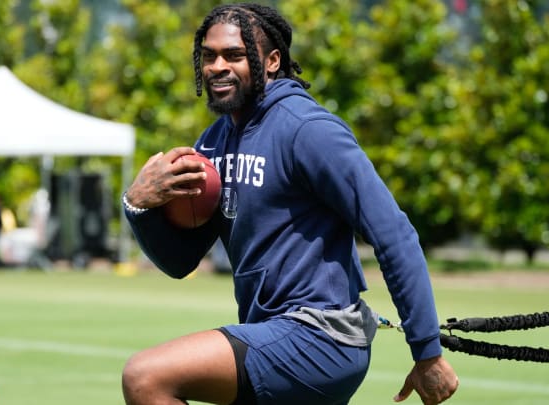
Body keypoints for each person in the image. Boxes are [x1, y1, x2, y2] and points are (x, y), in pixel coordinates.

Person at [121, 3, 458, 405]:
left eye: (234, 55)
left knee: (146, 377)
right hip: (270, 334)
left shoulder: (307, 129)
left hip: (322, 336)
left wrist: (427, 351)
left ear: (272, 60)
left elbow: (394, 234)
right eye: (208, 56)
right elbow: (180, 262)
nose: (217, 66)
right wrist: (138, 206)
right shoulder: (213, 143)